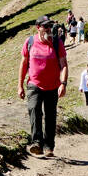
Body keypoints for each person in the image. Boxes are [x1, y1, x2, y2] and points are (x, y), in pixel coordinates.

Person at [18, 15, 68, 157]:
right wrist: (20, 85)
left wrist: (63, 83)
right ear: (38, 27)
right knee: (34, 109)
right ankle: (36, 143)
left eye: (50, 26)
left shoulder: (57, 43)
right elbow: (23, 64)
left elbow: (64, 65)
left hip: (53, 85)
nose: (49, 29)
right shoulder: (30, 42)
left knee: (50, 115)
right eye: (45, 26)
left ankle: (49, 146)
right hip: (34, 84)